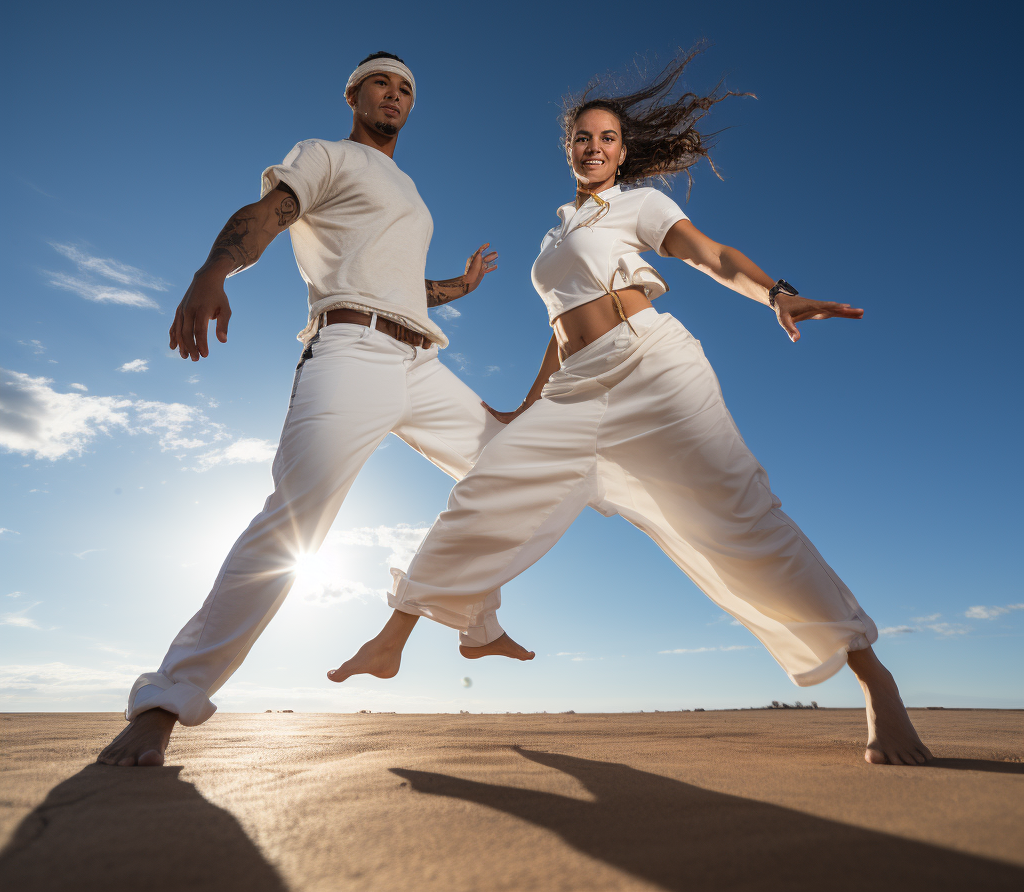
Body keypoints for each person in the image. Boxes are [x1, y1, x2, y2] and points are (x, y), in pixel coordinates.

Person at [329, 50, 934, 767]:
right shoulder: (554, 233)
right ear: (569, 149)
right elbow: (558, 331)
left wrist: (777, 292)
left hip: (652, 367)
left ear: (623, 152)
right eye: (582, 137)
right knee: (489, 485)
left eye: (607, 138)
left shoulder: (641, 205)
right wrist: (527, 406)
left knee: (743, 519)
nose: (594, 147)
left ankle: (875, 683)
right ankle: (392, 640)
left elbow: (712, 255)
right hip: (575, 387)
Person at [98, 51, 523, 767]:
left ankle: (473, 621)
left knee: (518, 463)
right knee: (292, 524)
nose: (395, 95)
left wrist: (463, 285)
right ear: (354, 94)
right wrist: (212, 271)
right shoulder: (324, 155)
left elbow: (401, 284)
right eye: (382, 84)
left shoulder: (410, 190)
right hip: (348, 351)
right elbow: (267, 215)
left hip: (418, 358)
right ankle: (167, 700)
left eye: (406, 89)